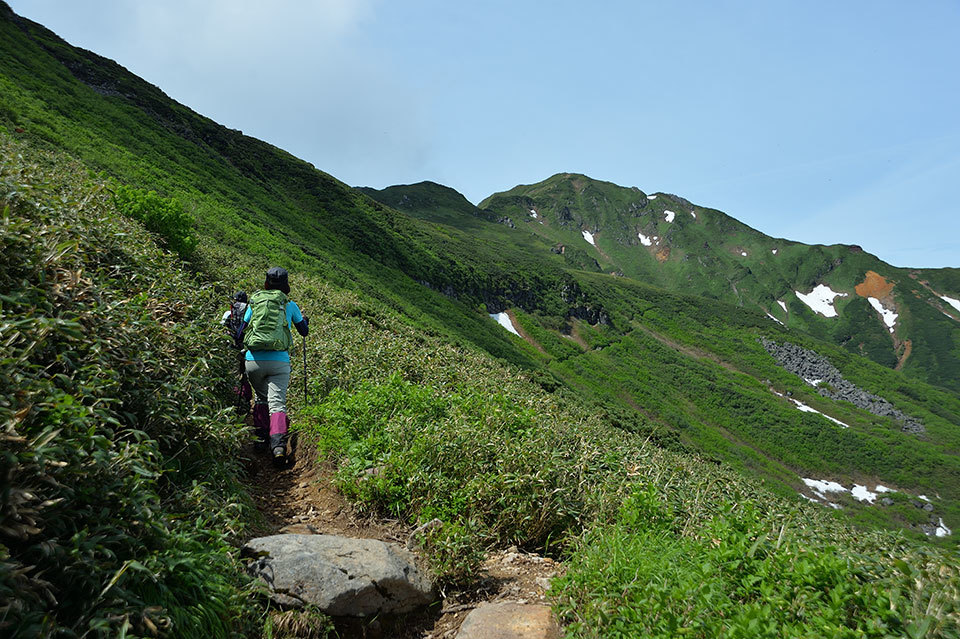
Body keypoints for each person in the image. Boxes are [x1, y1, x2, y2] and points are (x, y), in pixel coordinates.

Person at [235, 267, 308, 466]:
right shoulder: (290, 304)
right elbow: (303, 331)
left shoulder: (255, 302)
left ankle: (260, 439)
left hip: (253, 360)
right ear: (286, 286)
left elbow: (241, 331)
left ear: (266, 283)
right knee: (277, 403)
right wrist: (304, 322)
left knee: (260, 398)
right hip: (279, 362)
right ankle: (278, 446)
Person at [221, 291, 251, 416]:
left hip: (232, 348)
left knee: (234, 374)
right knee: (245, 375)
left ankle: (235, 401)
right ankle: (247, 400)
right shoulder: (249, 310)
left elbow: (222, 329)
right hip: (246, 348)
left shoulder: (229, 313)